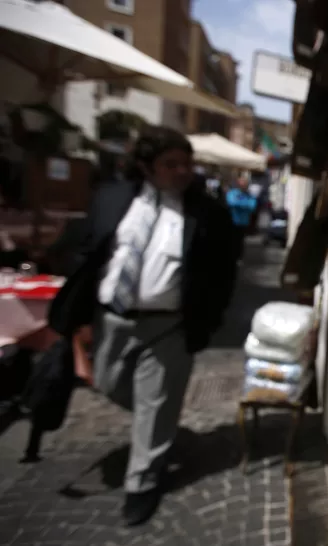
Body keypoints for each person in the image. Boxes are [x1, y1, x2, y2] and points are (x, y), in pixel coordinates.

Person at [47, 126, 237, 526]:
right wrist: (80, 318)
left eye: (187, 163)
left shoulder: (207, 213)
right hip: (112, 319)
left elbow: (222, 274)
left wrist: (206, 319)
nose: (183, 171)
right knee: (109, 383)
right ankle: (162, 426)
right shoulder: (112, 199)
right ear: (146, 166)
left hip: (169, 325)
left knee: (155, 403)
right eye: (171, 164)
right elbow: (87, 253)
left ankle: (143, 483)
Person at [225, 175, 257, 261]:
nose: (243, 185)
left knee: (240, 242)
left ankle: (238, 258)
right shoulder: (233, 193)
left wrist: (240, 204)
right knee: (231, 240)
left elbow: (252, 206)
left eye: (245, 183)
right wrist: (244, 204)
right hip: (232, 221)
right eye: (241, 183)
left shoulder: (250, 195)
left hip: (243, 222)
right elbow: (231, 202)